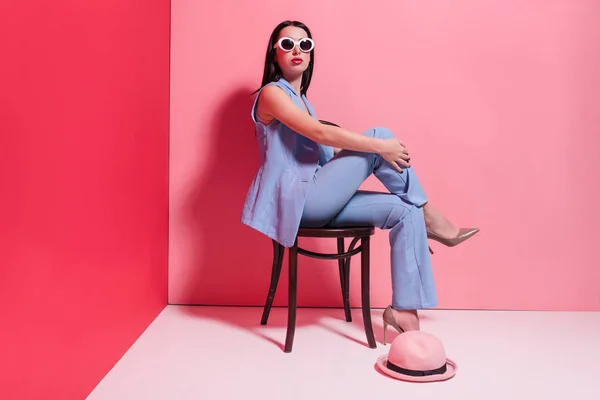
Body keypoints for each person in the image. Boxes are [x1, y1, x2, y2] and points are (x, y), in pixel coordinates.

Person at [241, 20, 478, 338]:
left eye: (305, 45)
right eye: (287, 44)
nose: (297, 50)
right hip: (300, 201)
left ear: (311, 55)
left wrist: (363, 158)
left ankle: (405, 313)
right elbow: (319, 132)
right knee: (380, 136)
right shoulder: (271, 94)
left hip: (320, 196)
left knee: (403, 210)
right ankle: (431, 216)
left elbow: (328, 146)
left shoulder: (304, 102)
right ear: (275, 53)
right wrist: (379, 147)